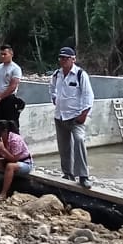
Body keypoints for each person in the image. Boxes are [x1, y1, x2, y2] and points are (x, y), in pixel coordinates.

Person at [50, 47, 94, 187]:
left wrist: (84, 114)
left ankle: (83, 176)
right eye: (61, 58)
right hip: (60, 116)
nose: (63, 60)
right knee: (64, 147)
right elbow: (52, 89)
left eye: (66, 58)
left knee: (79, 140)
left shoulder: (81, 75)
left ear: (73, 59)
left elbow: (89, 95)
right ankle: (67, 174)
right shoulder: (57, 75)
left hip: (76, 117)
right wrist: (54, 98)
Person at [0, 119, 32, 201]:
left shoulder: (15, 139)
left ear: (5, 131)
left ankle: (3, 194)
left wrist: (3, 149)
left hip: (24, 163)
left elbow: (14, 159)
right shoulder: (0, 139)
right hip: (8, 161)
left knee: (10, 166)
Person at [0, 44, 23, 134]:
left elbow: (13, 86)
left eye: (5, 54)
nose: (2, 56)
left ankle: (13, 145)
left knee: (11, 125)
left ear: (11, 54)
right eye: (1, 54)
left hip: (8, 99)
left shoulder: (15, 68)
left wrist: (0, 98)